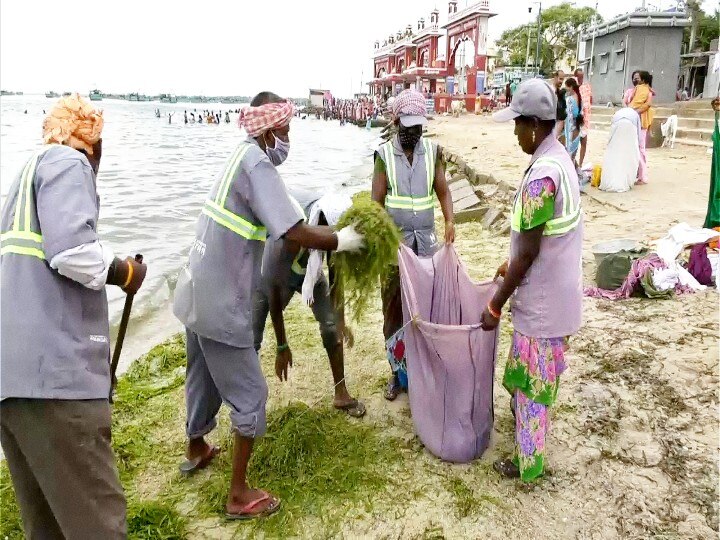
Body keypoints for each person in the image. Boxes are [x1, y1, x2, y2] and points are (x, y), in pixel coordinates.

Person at [173, 91, 364, 520]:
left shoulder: (238, 156)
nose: (288, 138)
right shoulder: (257, 162)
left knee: (201, 372)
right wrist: (340, 239)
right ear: (269, 130)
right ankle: (238, 493)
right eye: (286, 130)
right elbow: (293, 232)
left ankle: (197, 445)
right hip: (222, 296)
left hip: (195, 286)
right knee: (252, 394)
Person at [0, 94, 148, 538]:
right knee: (98, 523)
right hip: (56, 381)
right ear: (94, 143)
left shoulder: (23, 179)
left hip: (12, 380)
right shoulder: (69, 162)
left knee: (45, 524)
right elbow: (70, 251)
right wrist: (125, 271)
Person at [484, 79, 583, 482]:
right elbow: (544, 236)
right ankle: (528, 429)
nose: (513, 133)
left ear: (534, 125)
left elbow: (528, 252)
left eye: (516, 124)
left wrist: (495, 304)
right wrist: (513, 264)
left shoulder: (543, 175)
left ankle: (527, 464)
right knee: (534, 376)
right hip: (558, 292)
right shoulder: (561, 159)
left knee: (533, 386)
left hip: (542, 302)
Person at [371, 89, 454, 401]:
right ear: (395, 123)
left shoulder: (433, 152)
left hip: (426, 248)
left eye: (418, 127)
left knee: (425, 310)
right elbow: (375, 204)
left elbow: (443, 191)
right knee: (393, 313)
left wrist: (449, 220)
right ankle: (397, 372)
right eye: (407, 127)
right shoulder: (383, 157)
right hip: (395, 252)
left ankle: (424, 369)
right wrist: (380, 241)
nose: (413, 133)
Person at [253, 189, 366, 417]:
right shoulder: (291, 234)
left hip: (309, 274)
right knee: (250, 338)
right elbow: (274, 289)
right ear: (319, 225)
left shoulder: (332, 236)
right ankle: (250, 408)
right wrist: (282, 345)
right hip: (272, 277)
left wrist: (340, 321)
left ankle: (341, 394)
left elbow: (336, 281)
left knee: (330, 325)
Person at [623, 70, 655, 185]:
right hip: (630, 122)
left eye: (638, 78)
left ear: (644, 80)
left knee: (641, 149)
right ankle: (632, 173)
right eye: (634, 77)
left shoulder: (648, 92)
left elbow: (647, 105)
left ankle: (642, 176)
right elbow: (625, 103)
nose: (635, 80)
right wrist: (629, 113)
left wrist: (635, 112)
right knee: (630, 148)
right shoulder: (630, 91)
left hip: (641, 124)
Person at [599, 107, 641, 192]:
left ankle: (610, 181)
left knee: (614, 156)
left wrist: (609, 142)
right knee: (628, 157)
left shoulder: (617, 114)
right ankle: (626, 181)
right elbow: (638, 133)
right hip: (630, 129)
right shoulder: (635, 115)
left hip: (617, 130)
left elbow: (611, 131)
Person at [574, 68, 592, 167]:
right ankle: (573, 163)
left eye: (582, 76)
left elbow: (590, 100)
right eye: (578, 76)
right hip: (575, 119)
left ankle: (580, 164)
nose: (580, 78)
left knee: (584, 142)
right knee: (574, 144)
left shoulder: (587, 87)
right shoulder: (573, 88)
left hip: (585, 119)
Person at [563, 77, 584, 160]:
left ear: (571, 87)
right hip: (577, 128)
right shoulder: (579, 97)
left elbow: (567, 115)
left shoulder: (569, 100)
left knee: (568, 156)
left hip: (571, 128)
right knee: (573, 156)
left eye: (567, 87)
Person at [552, 70, 567, 142]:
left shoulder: (560, 93)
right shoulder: (550, 92)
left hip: (559, 128)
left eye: (563, 79)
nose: (561, 81)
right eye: (560, 79)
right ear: (555, 77)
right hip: (552, 128)